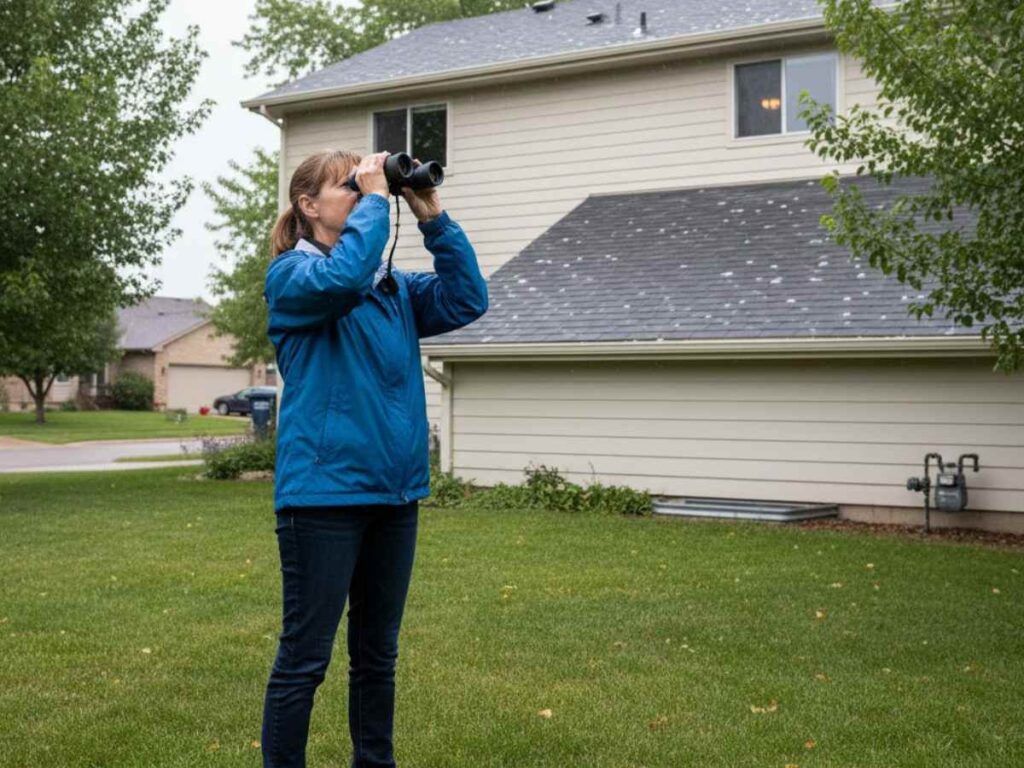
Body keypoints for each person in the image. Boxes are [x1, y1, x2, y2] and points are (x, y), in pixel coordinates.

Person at [260, 148, 488, 768]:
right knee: (306, 659)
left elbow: (468, 299)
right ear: (308, 206)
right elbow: (340, 279)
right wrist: (376, 202)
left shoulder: (392, 290)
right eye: (347, 189)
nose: (362, 198)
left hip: (394, 495)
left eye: (363, 190)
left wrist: (430, 213)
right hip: (324, 497)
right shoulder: (291, 280)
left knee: (377, 656)